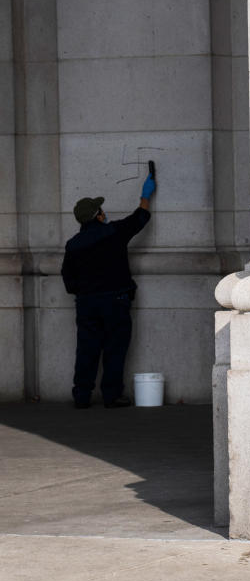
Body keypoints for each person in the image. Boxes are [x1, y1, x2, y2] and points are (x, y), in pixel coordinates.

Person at [61, 170, 157, 409]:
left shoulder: (73, 245)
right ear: (99, 216)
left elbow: (68, 279)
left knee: (86, 350)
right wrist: (146, 194)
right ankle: (112, 396)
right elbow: (141, 217)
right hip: (116, 301)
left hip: (87, 304)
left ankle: (82, 395)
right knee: (115, 348)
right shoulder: (114, 232)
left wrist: (83, 292)